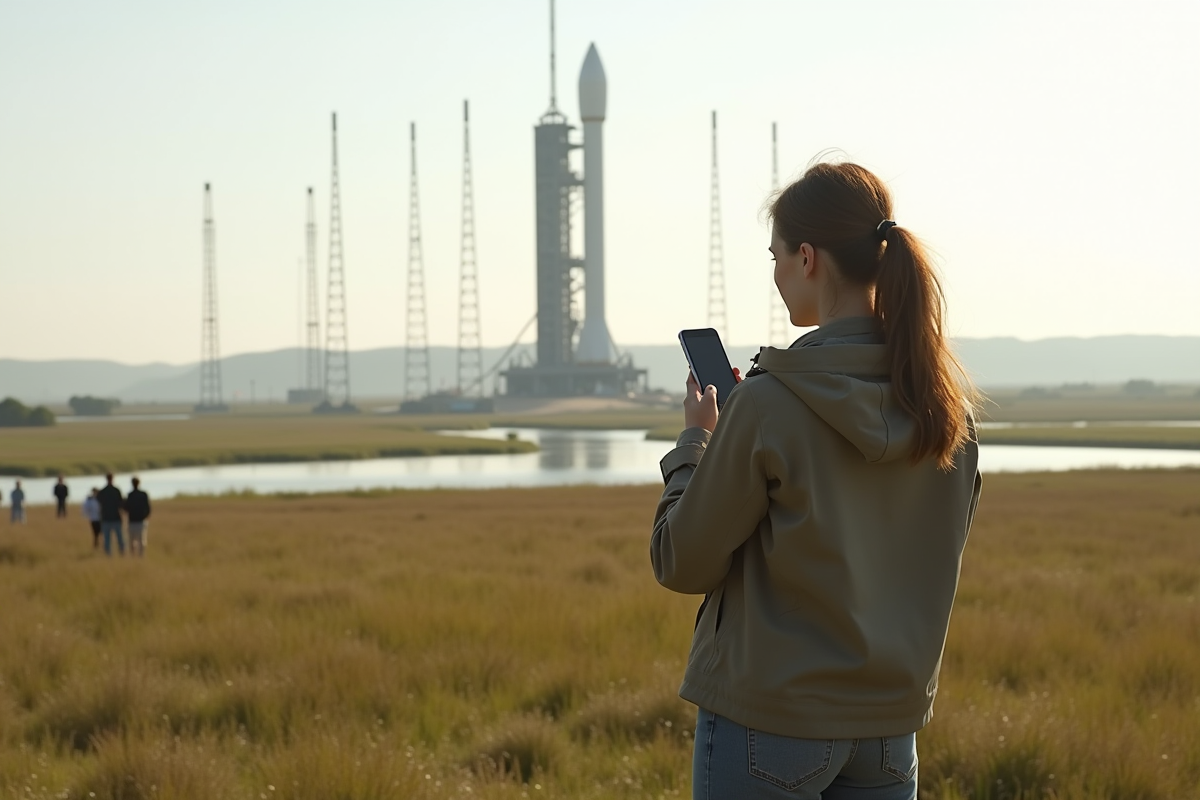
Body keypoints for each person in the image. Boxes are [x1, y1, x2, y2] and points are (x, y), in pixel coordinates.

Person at [651, 162, 982, 800]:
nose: (775, 273)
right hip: (890, 732)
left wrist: (697, 442)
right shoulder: (947, 410)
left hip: (768, 722)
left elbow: (680, 562)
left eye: (774, 256)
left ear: (807, 258)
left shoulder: (769, 406)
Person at [96, 473, 125, 556]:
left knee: (107, 540)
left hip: (105, 518)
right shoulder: (116, 490)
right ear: (113, 479)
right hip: (116, 517)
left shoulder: (102, 492)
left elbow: (99, 502)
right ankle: (122, 554)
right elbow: (121, 504)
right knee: (120, 538)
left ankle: (108, 555)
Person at [124, 477, 151, 557]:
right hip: (141, 521)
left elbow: (126, 508)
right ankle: (141, 556)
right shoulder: (143, 494)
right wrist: (144, 516)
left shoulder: (130, 495)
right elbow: (148, 508)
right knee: (141, 541)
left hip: (132, 521)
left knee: (132, 541)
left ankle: (133, 555)